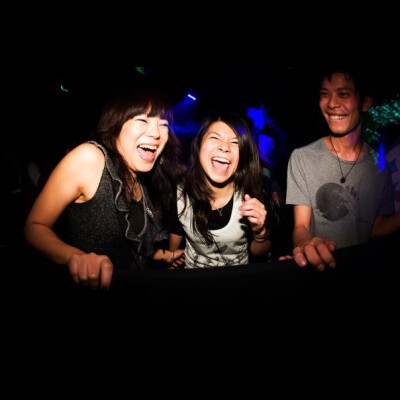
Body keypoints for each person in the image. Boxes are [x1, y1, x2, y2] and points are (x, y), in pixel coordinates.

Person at [23, 86, 185, 289]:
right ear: (116, 124)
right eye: (142, 120)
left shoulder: (140, 181)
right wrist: (76, 257)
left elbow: (129, 248)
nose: (156, 133)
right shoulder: (90, 157)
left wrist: (166, 255)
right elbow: (34, 226)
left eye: (163, 124)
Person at [284, 65, 400, 271]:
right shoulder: (302, 157)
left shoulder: (379, 165)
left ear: (366, 102)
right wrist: (306, 245)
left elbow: (374, 227)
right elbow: (301, 227)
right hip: (319, 272)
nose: (331, 103)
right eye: (324, 94)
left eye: (343, 94)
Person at [168, 111, 277, 269]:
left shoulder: (252, 194)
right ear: (199, 145)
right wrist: (171, 257)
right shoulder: (180, 190)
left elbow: (259, 253)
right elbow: (176, 228)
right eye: (215, 137)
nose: (225, 147)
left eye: (235, 142)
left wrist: (260, 233)